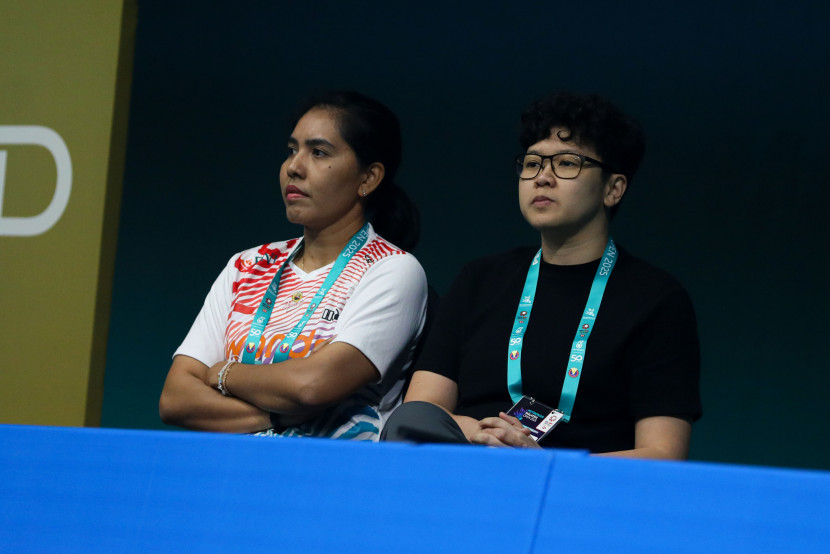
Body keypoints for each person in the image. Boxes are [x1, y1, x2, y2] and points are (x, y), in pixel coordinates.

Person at [382, 92, 701, 459]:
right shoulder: (480, 279)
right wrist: (485, 435)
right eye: (532, 163)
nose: (542, 177)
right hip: (464, 469)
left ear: (613, 189)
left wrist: (540, 462)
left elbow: (663, 453)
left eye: (567, 163)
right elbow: (421, 410)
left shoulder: (656, 299)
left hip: (575, 495)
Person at [159, 91, 427, 440]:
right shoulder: (248, 265)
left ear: (369, 178)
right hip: (230, 474)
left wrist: (223, 373)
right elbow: (175, 399)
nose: (293, 167)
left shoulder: (392, 270)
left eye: (318, 152)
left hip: (331, 478)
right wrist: (281, 414)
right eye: (291, 150)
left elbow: (312, 386)